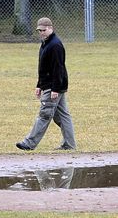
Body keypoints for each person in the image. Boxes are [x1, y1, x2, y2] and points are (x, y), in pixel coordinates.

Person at [16, 17, 76, 151]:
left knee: (44, 115)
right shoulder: (46, 43)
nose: (41, 33)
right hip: (50, 84)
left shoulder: (55, 45)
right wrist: (39, 85)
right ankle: (69, 144)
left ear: (50, 28)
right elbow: (43, 67)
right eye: (39, 30)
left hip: (53, 86)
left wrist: (55, 88)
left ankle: (29, 143)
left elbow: (58, 68)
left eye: (43, 30)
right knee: (62, 116)